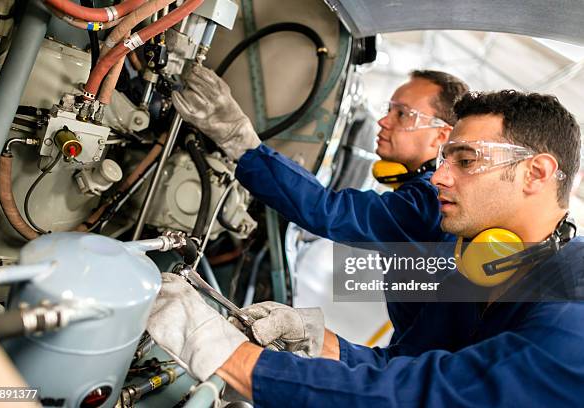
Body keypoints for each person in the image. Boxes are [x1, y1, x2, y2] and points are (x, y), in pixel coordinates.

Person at [148, 90, 584, 406]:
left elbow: (429, 396)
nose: (438, 178)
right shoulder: (476, 266)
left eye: (466, 161)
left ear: (536, 173)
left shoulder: (574, 304)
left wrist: (227, 356)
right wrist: (320, 341)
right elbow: (406, 364)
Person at [172, 65, 469, 339]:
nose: (383, 120)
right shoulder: (426, 195)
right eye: (389, 109)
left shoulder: (429, 201)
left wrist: (239, 140)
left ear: (441, 136)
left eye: (402, 113)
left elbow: (329, 210)